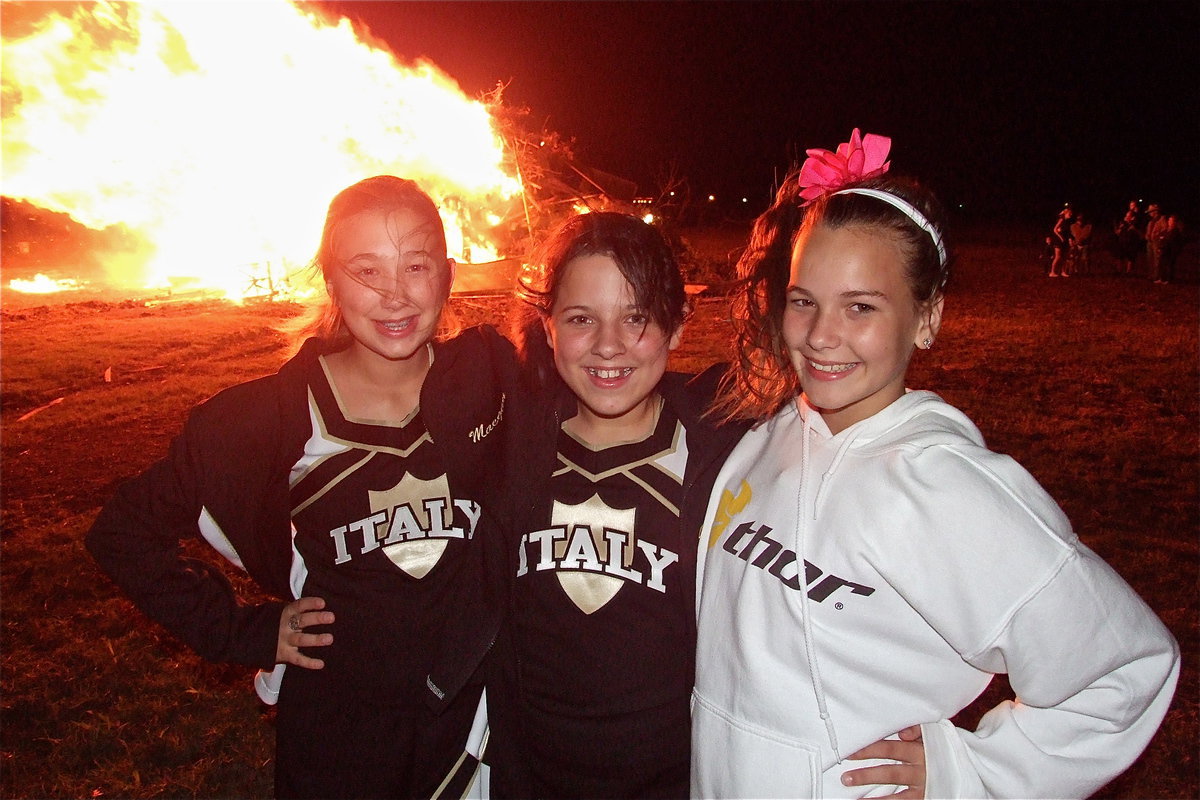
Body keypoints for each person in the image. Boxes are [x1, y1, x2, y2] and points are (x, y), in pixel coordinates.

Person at [691, 130, 1180, 799]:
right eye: (804, 301)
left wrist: (967, 771)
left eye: (861, 306)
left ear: (927, 317)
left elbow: (1125, 668)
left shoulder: (941, 485)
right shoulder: (764, 441)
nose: (821, 333)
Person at [86, 176, 515, 799]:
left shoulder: (492, 383)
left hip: (472, 728)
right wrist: (247, 632)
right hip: (341, 732)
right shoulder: (267, 416)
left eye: (416, 266)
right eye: (366, 270)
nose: (395, 295)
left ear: (449, 273)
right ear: (330, 280)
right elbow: (122, 534)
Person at [471, 211, 924, 798]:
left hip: (677, 776)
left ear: (679, 325)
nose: (609, 346)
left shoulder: (725, 439)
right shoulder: (509, 438)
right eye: (582, 319)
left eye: (637, 318)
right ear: (548, 324)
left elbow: (812, 364)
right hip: (528, 777)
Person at [1114, 200, 1144, 274]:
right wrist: (1119, 229)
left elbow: (1139, 228)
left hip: (1132, 240)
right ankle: (1119, 270)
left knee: (1131, 256)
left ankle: (1129, 271)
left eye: (1133, 205)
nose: (1132, 207)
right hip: (1123, 239)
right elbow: (1119, 229)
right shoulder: (1125, 219)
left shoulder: (1138, 216)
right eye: (1131, 205)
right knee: (1120, 256)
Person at [1145, 202, 1169, 282]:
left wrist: (1158, 236)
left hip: (1157, 242)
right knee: (1150, 259)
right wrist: (1147, 236)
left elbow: (1165, 230)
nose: (1149, 214)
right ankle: (1151, 275)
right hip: (1150, 242)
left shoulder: (1162, 219)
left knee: (1157, 260)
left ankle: (1157, 276)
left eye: (1151, 212)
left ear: (1155, 211)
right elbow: (1148, 231)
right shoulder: (1151, 222)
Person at [1047, 205, 1073, 277]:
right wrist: (1060, 237)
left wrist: (1069, 239)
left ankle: (1063, 272)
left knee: (1064, 257)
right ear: (1066, 213)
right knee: (1058, 257)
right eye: (1070, 213)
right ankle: (1052, 272)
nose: (1071, 215)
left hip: (1064, 241)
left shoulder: (1067, 222)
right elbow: (1055, 229)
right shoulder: (1061, 220)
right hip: (1058, 241)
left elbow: (1067, 232)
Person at [1069, 210, 1093, 274]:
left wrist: (1090, 243)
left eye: (1081, 219)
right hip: (1076, 244)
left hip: (1085, 244)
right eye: (1078, 219)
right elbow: (1071, 235)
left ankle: (1087, 271)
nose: (1080, 221)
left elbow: (1090, 236)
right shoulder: (1073, 226)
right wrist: (1071, 242)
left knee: (1085, 258)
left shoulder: (1088, 227)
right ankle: (1074, 270)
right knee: (1075, 258)